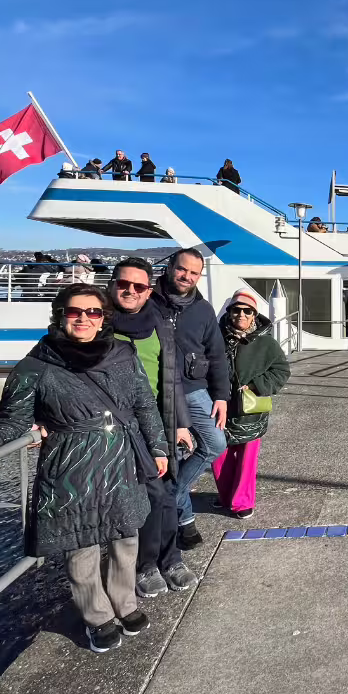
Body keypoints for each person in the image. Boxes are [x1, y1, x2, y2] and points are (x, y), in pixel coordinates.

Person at [0, 283, 166, 653]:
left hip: (121, 457)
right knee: (80, 542)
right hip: (71, 464)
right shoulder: (36, 364)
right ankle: (97, 616)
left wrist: (158, 447)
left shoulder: (123, 354)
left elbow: (144, 405)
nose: (84, 319)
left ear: (104, 318)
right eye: (75, 312)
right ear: (60, 315)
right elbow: (12, 417)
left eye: (93, 312)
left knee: (126, 536)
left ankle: (125, 602)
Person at [108, 259, 199, 598]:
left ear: (149, 290)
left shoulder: (157, 322)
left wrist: (181, 424)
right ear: (112, 284)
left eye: (139, 286)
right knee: (153, 495)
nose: (130, 291)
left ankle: (170, 558)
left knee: (168, 492)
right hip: (121, 428)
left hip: (161, 421)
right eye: (124, 284)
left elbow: (171, 374)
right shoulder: (99, 324)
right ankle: (147, 565)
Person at [151, 249, 229, 550]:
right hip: (157, 390)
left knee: (215, 443)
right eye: (182, 270)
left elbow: (217, 355)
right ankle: (185, 523)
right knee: (171, 456)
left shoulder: (202, 309)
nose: (187, 277)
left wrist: (221, 396)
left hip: (193, 388)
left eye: (194, 273)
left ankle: (173, 494)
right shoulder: (149, 301)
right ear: (170, 267)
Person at [212, 290, 291, 518]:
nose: (241, 314)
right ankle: (226, 496)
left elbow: (281, 370)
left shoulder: (266, 343)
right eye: (236, 310)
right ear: (229, 312)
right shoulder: (214, 338)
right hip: (219, 409)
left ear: (254, 315)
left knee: (247, 460)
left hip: (250, 411)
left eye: (247, 311)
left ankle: (242, 501)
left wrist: (257, 385)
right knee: (218, 456)